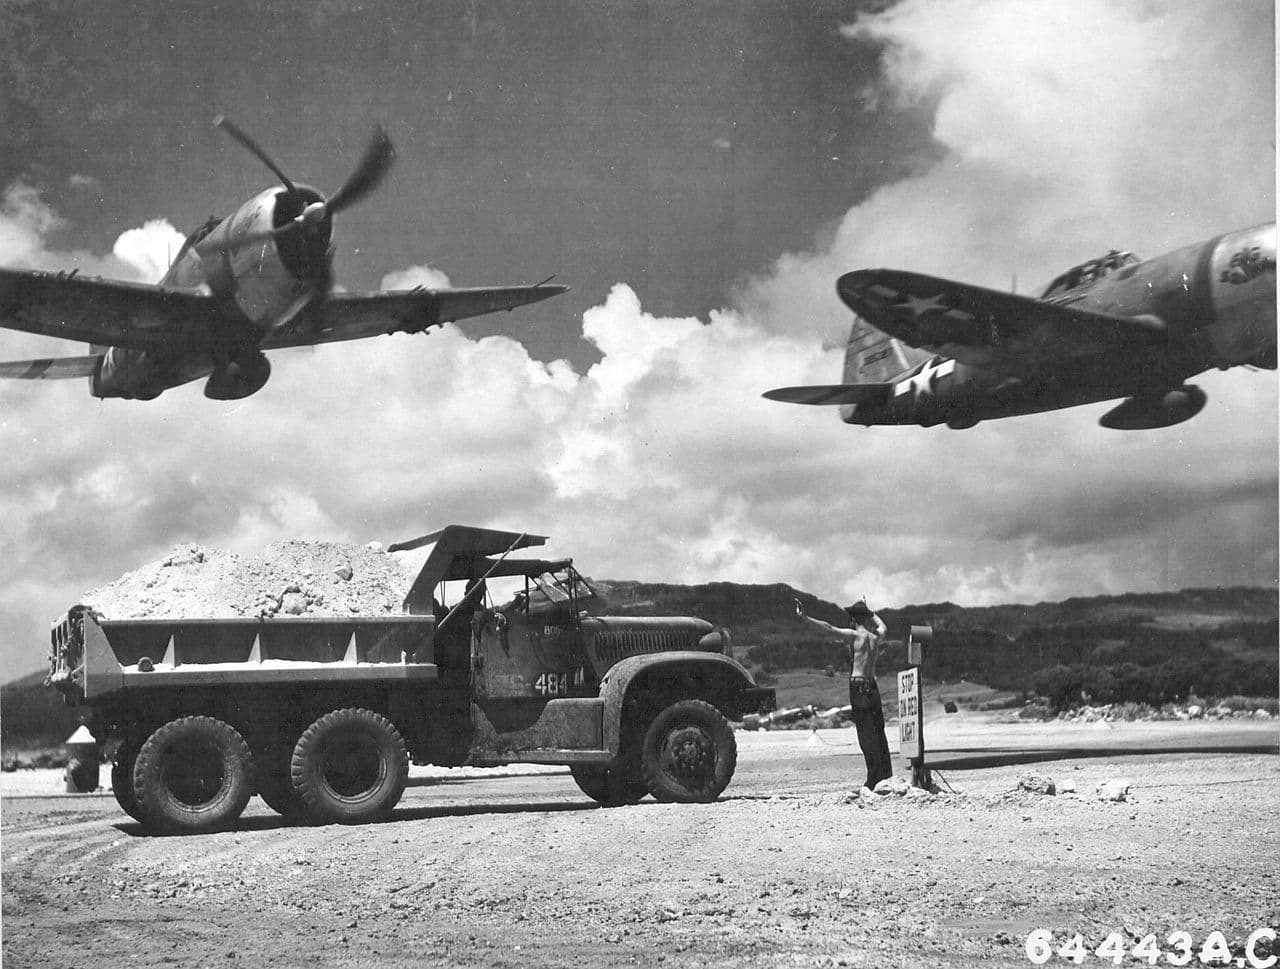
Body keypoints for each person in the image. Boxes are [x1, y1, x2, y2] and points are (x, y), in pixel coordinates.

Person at [794, 597, 893, 790]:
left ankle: (873, 778)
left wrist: (806, 618)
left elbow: (829, 628)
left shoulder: (855, 636)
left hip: (858, 686)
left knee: (866, 734)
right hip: (873, 687)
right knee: (878, 732)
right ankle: (884, 774)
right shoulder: (875, 637)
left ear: (853, 619)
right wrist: (870, 612)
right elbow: (883, 626)